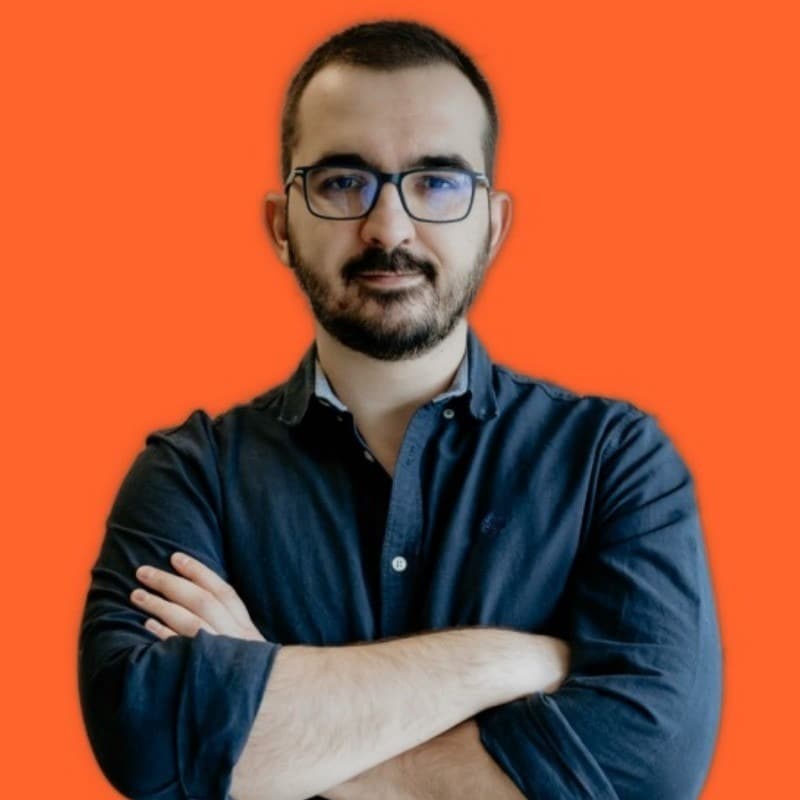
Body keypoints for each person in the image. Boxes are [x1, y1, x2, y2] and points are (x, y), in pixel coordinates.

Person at [78, 20, 722, 800]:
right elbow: (146, 737)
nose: (389, 228)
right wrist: (507, 662)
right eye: (341, 182)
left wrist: (272, 731)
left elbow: (654, 769)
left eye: (438, 183)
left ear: (494, 225)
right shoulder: (191, 475)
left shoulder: (614, 462)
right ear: (282, 225)